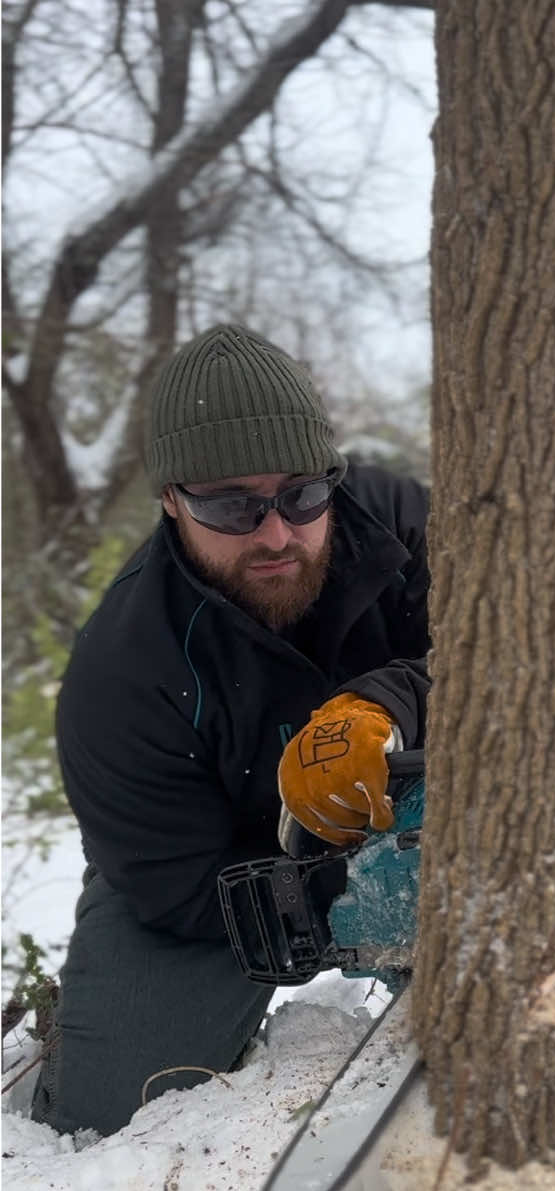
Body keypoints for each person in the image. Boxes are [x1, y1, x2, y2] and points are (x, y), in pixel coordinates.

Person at [31, 323, 430, 1138]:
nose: (276, 532)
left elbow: (526, 660)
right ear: (172, 499)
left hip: (415, 817)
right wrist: (343, 899)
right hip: (216, 877)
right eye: (230, 505)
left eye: (302, 495)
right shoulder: (122, 667)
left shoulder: (404, 524)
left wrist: (386, 701)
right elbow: (168, 880)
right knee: (112, 1124)